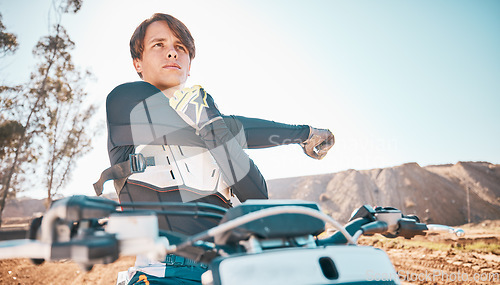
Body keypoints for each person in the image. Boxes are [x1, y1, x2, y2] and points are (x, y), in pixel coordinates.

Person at [97, 13, 334, 285]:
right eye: (158, 45)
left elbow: (256, 196)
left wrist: (214, 128)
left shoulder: (205, 114)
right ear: (138, 63)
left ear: (189, 65)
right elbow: (188, 121)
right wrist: (300, 134)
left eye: (180, 48)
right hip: (162, 273)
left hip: (229, 271)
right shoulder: (124, 102)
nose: (172, 53)